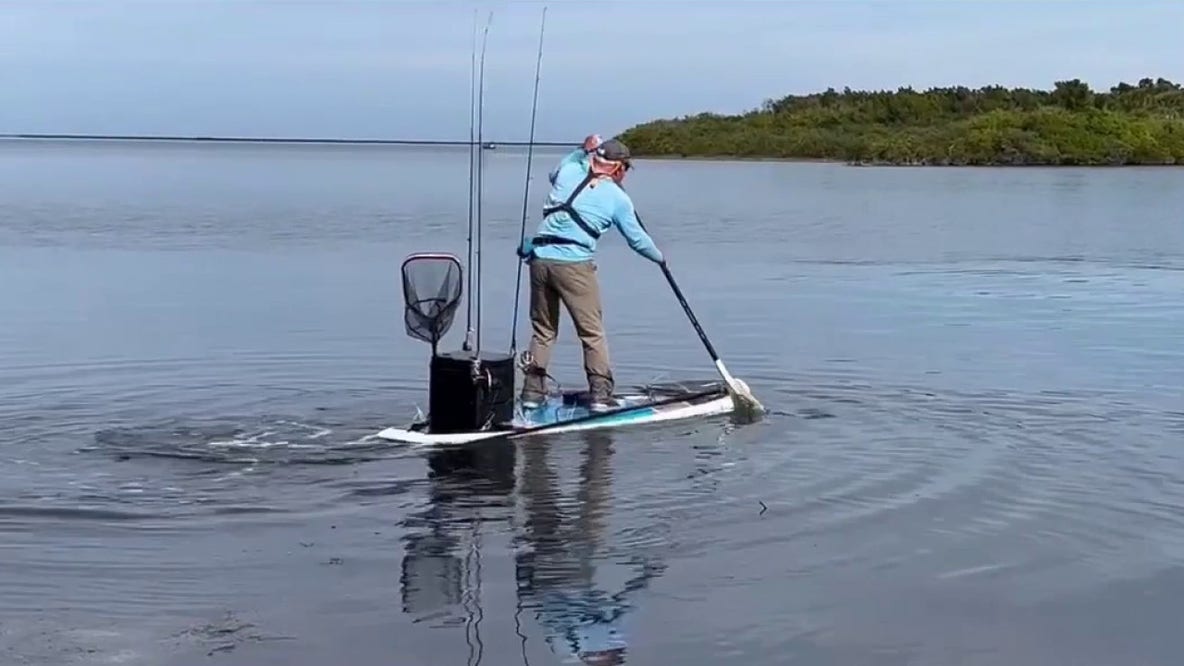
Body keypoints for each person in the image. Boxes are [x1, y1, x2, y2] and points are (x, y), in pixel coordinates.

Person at [517, 134, 664, 411]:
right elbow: (638, 241)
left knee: (543, 331)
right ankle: (600, 394)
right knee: (592, 332)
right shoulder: (618, 198)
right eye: (626, 170)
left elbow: (556, 171)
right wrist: (661, 258)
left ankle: (532, 394)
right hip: (573, 266)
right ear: (618, 169)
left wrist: (580, 152)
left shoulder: (570, 171)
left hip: (538, 261)